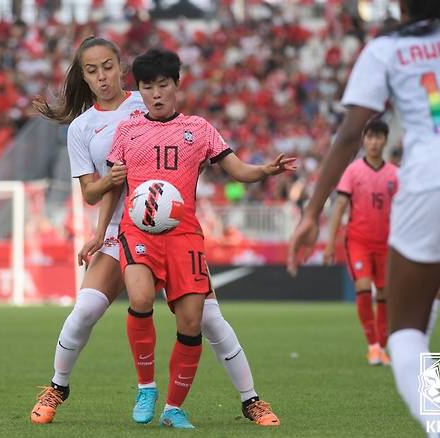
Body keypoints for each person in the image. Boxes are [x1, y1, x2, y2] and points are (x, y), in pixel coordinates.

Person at [30, 37, 280, 427]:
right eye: (92, 71)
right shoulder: (82, 128)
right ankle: (56, 387)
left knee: (209, 317)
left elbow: (194, 148)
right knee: (85, 312)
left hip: (172, 231)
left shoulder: (144, 100)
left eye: (108, 66)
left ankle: (251, 400)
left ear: (120, 66)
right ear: (84, 76)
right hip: (120, 230)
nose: (102, 77)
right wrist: (100, 227)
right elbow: (93, 192)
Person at [287, 1, 440, 436]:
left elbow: (349, 132)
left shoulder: (387, 47)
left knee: (409, 330)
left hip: (431, 186)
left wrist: (312, 212)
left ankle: (439, 423)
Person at [92, 48, 296, 428]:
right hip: (137, 232)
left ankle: (172, 408)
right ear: (139, 90)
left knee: (191, 322)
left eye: (163, 85)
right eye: (148, 86)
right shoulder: (127, 130)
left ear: (176, 85)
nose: (156, 93)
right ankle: (146, 387)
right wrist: (96, 233)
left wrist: (265, 170)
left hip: (184, 236)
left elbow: (236, 170)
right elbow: (112, 189)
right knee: (138, 296)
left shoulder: (199, 129)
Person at [323, 118, 398, 366]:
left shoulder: (395, 175)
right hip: (358, 241)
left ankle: (382, 347)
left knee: (385, 293)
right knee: (363, 287)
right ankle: (373, 346)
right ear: (364, 139)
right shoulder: (353, 171)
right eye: (370, 137)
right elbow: (340, 206)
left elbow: (403, 210)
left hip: (386, 244)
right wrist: (331, 242)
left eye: (378, 137)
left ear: (385, 140)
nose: (374, 142)